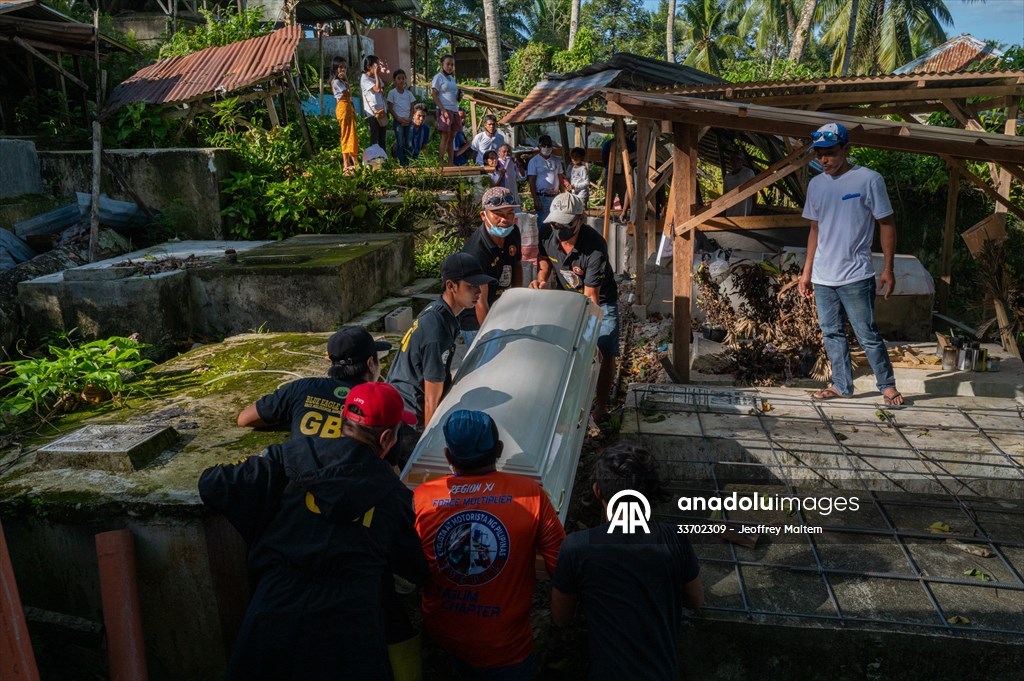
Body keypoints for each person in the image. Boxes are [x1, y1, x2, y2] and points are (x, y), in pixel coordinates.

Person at [199, 382, 427, 681]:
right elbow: (415, 568)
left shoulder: (291, 455)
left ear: (343, 422)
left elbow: (214, 483)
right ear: (387, 439)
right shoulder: (394, 496)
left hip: (273, 615)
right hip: (350, 633)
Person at [414, 410, 565, 679]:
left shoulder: (422, 497)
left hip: (442, 636)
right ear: (499, 449)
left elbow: (411, 566)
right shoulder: (530, 494)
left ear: (448, 456)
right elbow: (563, 567)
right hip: (505, 647)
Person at [550, 441, 703, 681]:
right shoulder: (674, 538)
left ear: (597, 491)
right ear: (649, 490)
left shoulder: (577, 547)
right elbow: (696, 600)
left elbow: (561, 618)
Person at [798, 122, 904, 407]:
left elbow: (886, 223)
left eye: (830, 153)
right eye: (819, 154)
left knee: (867, 334)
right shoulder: (816, 184)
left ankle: (887, 386)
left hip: (856, 275)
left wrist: (889, 269)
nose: (824, 160)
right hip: (823, 277)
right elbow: (814, 230)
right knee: (831, 333)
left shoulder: (869, 180)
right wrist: (806, 273)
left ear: (846, 149)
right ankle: (841, 385)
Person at [530, 192, 618, 422]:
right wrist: (542, 279)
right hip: (567, 296)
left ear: (580, 219)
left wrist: (590, 338)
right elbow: (544, 259)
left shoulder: (595, 248)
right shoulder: (546, 232)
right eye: (555, 224)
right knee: (564, 347)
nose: (559, 229)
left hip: (600, 299)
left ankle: (601, 407)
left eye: (565, 224)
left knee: (604, 347)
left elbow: (591, 298)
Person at [387, 252, 495, 431]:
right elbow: (431, 399)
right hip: (410, 417)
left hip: (405, 404)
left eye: (479, 285)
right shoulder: (437, 330)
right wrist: (428, 442)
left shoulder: (441, 312)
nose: (478, 291)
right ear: (451, 286)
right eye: (471, 286)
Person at [236, 326, 389, 440]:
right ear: (370, 364)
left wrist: (298, 412)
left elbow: (244, 419)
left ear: (331, 363)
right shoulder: (381, 403)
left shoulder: (303, 387)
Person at [458, 186, 524, 347]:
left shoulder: (513, 232)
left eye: (510, 213)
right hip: (476, 318)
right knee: (489, 356)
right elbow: (480, 302)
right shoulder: (476, 251)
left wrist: (517, 301)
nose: (505, 219)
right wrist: (489, 339)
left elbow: (517, 265)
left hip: (501, 308)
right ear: (483, 215)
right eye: (498, 214)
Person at [527, 135, 563, 233]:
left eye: (549, 145)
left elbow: (560, 179)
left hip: (555, 197)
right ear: (539, 146)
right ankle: (542, 242)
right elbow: (532, 182)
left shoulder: (556, 161)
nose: (546, 147)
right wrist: (535, 199)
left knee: (557, 223)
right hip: (542, 198)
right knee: (543, 224)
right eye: (544, 145)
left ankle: (554, 241)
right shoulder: (534, 161)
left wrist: (563, 195)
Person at [432, 55, 460, 167]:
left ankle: (450, 162)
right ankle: (441, 162)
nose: (450, 67)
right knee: (445, 136)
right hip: (445, 110)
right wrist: (443, 110)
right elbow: (434, 94)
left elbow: (453, 95)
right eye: (448, 64)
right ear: (442, 65)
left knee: (452, 137)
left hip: (454, 110)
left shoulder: (452, 79)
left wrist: (459, 96)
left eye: (452, 65)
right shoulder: (438, 77)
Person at [331, 56, 358, 170]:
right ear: (335, 68)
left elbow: (349, 93)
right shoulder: (336, 82)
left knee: (351, 134)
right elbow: (347, 93)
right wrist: (347, 80)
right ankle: (347, 163)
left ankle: (352, 161)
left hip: (348, 108)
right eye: (340, 67)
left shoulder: (341, 82)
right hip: (343, 108)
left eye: (345, 67)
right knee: (346, 134)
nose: (343, 70)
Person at [387, 69, 417, 167]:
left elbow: (412, 107)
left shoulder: (409, 94)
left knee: (409, 143)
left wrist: (409, 119)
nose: (401, 80)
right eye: (398, 78)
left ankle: (409, 163)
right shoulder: (392, 93)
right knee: (400, 143)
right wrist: (399, 119)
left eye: (403, 78)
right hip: (398, 122)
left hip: (409, 122)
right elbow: (390, 108)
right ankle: (402, 164)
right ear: (394, 80)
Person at [360, 54, 389, 154]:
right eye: (376, 65)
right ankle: (374, 158)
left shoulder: (377, 78)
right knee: (375, 138)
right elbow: (377, 89)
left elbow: (381, 88)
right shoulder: (364, 78)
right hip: (372, 113)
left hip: (382, 111)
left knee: (382, 138)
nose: (378, 67)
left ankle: (383, 158)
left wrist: (377, 77)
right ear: (369, 67)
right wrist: (377, 75)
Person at [722, 148, 756, 216]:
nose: (734, 161)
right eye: (732, 159)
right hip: (730, 211)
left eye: (737, 159)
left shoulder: (748, 173)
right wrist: (724, 211)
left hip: (744, 210)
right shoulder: (727, 177)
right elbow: (725, 195)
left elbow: (754, 191)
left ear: (742, 161)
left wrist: (753, 210)